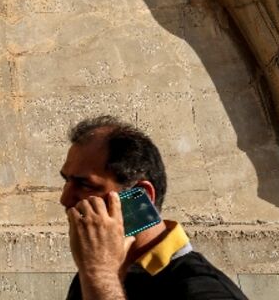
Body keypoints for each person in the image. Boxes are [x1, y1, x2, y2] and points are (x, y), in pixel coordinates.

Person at [61, 116, 247, 299]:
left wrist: (101, 275)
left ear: (141, 196)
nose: (65, 199)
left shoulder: (204, 289)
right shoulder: (97, 271)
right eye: (66, 181)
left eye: (85, 185)